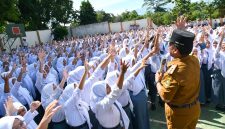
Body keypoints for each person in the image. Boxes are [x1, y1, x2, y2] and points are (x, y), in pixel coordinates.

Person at [155, 16, 201, 129]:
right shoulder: (194, 59)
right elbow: (185, 47)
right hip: (194, 108)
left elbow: (165, 96)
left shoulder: (176, 70)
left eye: (169, 45)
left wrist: (157, 82)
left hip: (179, 114)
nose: (168, 47)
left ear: (175, 50)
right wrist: (181, 31)